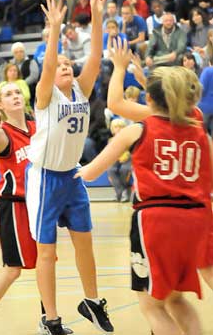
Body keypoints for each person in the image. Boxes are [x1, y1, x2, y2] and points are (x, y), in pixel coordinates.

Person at [75, 42, 212, 335]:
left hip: (157, 220)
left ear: (150, 98)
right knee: (177, 300)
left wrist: (120, 67)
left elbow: (91, 170)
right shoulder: (199, 128)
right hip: (198, 219)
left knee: (153, 306)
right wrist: (145, 78)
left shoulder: (139, 129)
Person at [26, 0, 114, 335]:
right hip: (46, 178)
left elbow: (95, 53)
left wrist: (96, 13)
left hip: (72, 177)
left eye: (67, 65)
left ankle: (91, 302)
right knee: (47, 254)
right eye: (60, 65)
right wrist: (54, 32)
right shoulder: (45, 96)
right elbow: (48, 63)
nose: (64, 67)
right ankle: (51, 320)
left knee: (85, 243)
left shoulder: (81, 89)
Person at [0, 83, 73, 335]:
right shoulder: (2, 133)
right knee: (13, 269)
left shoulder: (37, 127)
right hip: (14, 205)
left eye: (17, 92)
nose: (15, 96)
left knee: (46, 262)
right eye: (8, 94)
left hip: (40, 203)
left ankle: (49, 320)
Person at [107, 118, 132, 202]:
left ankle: (123, 192)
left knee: (124, 169)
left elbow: (129, 151)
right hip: (115, 159)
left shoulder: (128, 138)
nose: (118, 129)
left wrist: (125, 156)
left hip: (127, 159)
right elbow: (110, 152)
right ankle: (120, 191)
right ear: (112, 129)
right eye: (116, 127)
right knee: (111, 169)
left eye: (120, 127)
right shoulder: (110, 140)